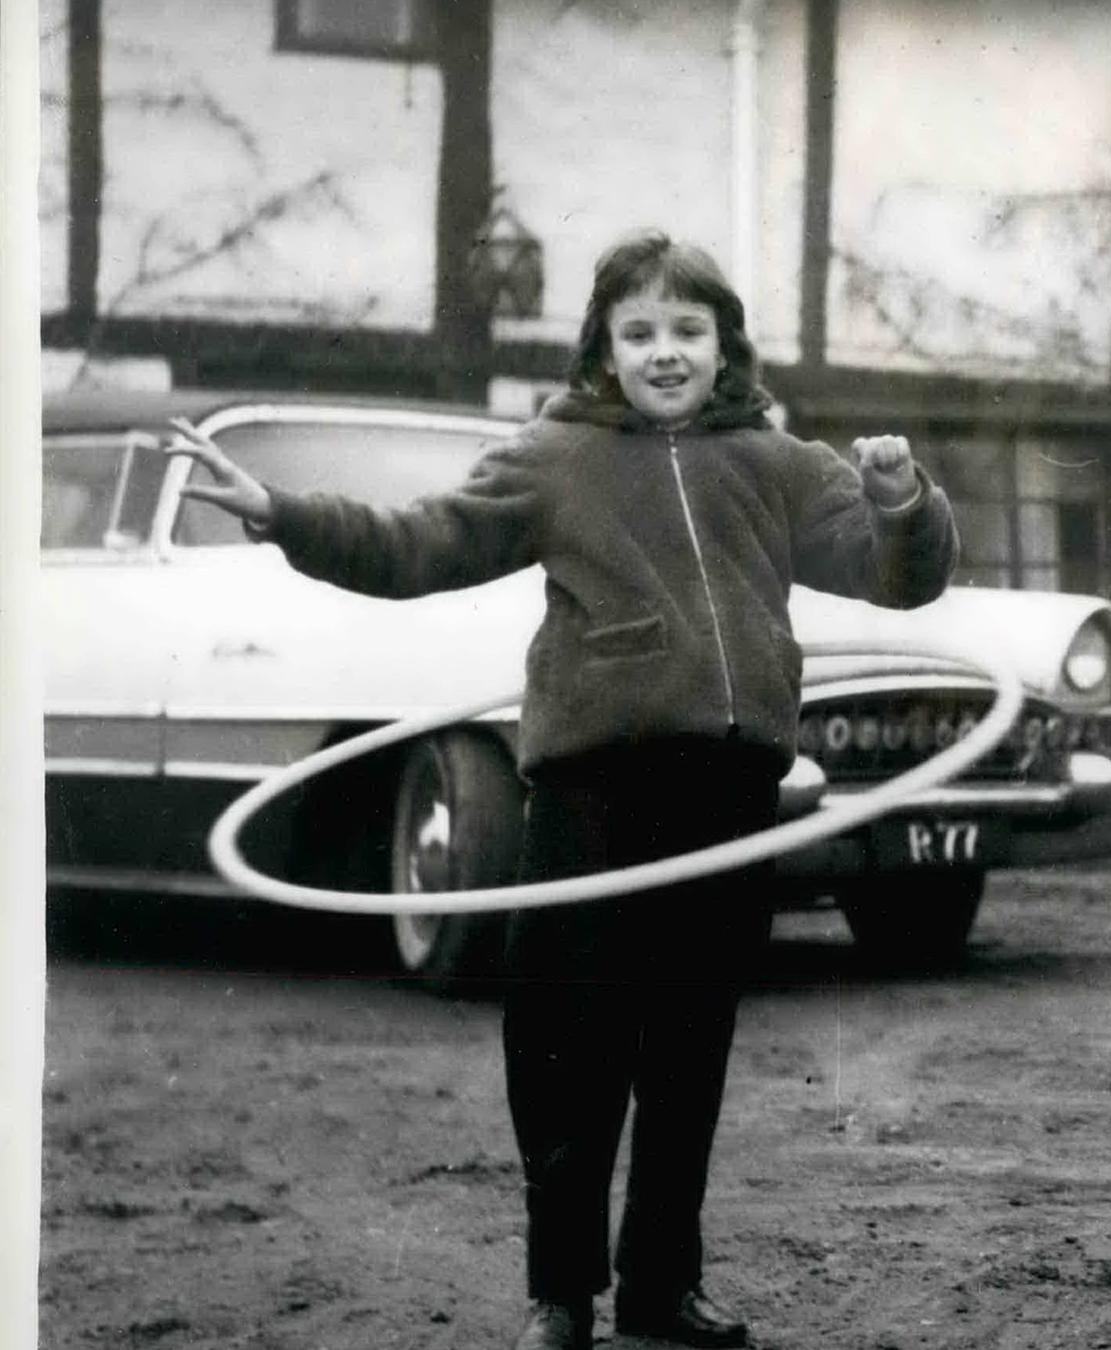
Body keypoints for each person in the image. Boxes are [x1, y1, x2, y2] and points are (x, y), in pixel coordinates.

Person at [167, 230, 958, 1350]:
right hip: (593, 789)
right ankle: (560, 1295)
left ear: (725, 346)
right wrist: (287, 514)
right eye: (640, 333)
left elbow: (899, 580)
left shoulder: (779, 464)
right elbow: (421, 542)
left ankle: (660, 1287)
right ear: (604, 349)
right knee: (566, 1038)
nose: (666, 353)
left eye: (688, 331)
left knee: (690, 1044)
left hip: (728, 793)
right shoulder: (557, 456)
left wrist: (901, 502)